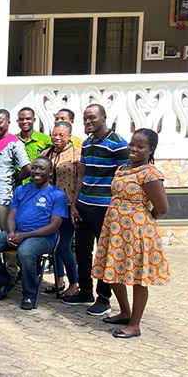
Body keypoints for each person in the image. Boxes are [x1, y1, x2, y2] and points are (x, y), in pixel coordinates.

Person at [92, 129, 170, 339]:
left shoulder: (150, 173)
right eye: (131, 144)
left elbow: (161, 208)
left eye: (140, 146)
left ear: (150, 149)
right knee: (113, 272)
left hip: (137, 231)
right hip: (115, 228)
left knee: (137, 277)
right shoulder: (122, 168)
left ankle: (134, 325)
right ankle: (124, 312)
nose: (133, 149)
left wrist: (140, 219)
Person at [63, 104, 130, 316]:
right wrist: (74, 204)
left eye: (92, 117)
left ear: (104, 118)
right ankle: (85, 291)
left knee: (104, 254)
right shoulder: (87, 142)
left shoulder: (118, 144)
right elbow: (82, 174)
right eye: (85, 119)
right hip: (84, 205)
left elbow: (126, 175)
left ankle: (104, 299)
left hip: (106, 209)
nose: (88, 122)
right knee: (82, 251)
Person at [0, 156, 68, 310]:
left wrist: (24, 236)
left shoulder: (57, 195)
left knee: (25, 253)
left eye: (42, 168)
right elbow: (11, 215)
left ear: (50, 173)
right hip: (18, 232)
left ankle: (29, 293)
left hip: (43, 237)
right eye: (34, 167)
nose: (36, 171)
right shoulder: (21, 189)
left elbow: (54, 227)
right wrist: (11, 233)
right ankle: (5, 281)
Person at [41, 121, 81, 297]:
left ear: (69, 136)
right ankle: (59, 280)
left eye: (61, 135)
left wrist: (76, 205)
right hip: (48, 206)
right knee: (53, 244)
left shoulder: (77, 155)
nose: (56, 138)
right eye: (54, 134)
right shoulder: (46, 153)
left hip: (68, 205)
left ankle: (74, 283)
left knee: (63, 245)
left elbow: (81, 180)